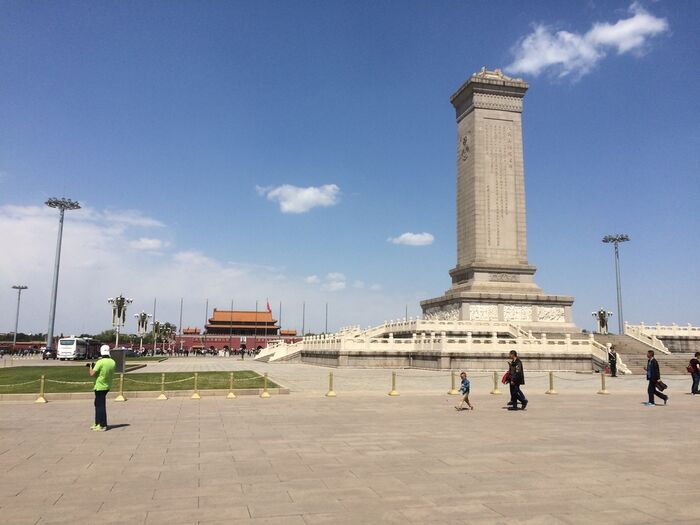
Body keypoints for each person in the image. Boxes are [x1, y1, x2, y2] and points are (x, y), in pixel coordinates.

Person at [88, 345, 116, 431]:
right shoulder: (112, 362)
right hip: (107, 385)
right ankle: (97, 423)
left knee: (100, 406)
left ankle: (102, 424)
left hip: (100, 386)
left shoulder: (100, 362)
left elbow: (92, 374)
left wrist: (90, 367)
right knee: (98, 404)